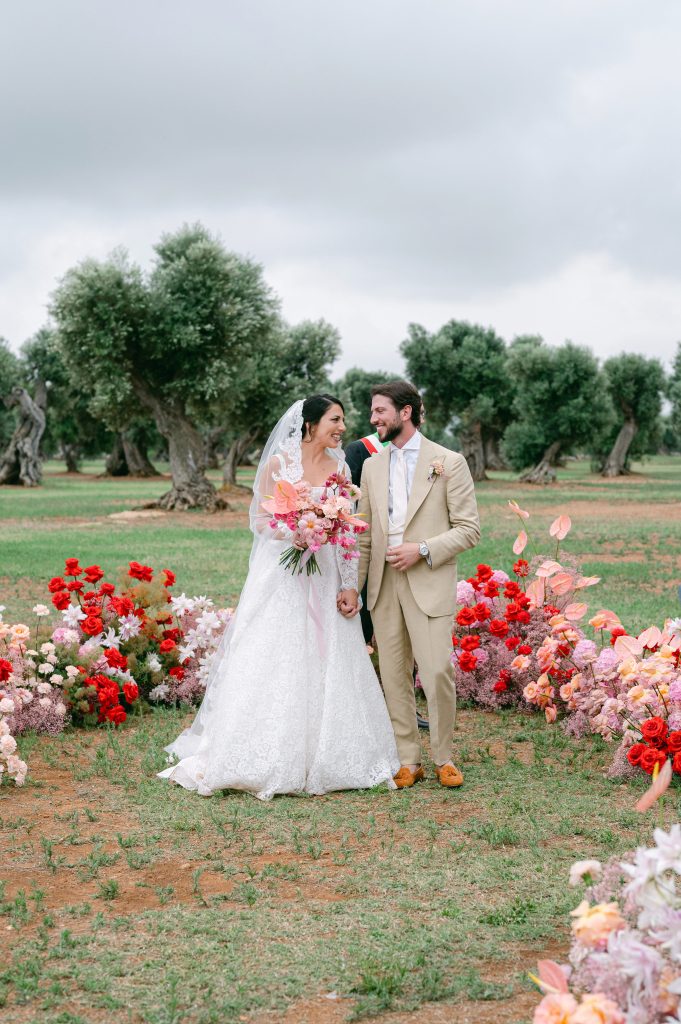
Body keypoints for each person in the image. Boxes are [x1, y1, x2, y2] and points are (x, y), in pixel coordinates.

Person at [158, 395, 399, 800]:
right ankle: (262, 752)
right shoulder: (278, 466)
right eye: (334, 420)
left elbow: (346, 534)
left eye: (343, 421)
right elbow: (261, 520)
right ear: (309, 425)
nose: (342, 427)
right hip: (283, 574)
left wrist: (347, 585)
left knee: (329, 655)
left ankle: (331, 752)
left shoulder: (341, 467)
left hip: (324, 575)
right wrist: (299, 531)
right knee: (275, 652)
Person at [338, 381, 480, 789]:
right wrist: (354, 586)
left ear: (405, 412)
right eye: (372, 410)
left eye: (380, 410)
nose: (372, 418)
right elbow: (363, 534)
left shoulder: (448, 462)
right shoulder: (371, 466)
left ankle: (444, 757)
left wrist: (421, 549)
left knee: (436, 671)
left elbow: (469, 530)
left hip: (428, 580)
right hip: (383, 586)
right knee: (394, 675)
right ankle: (408, 759)